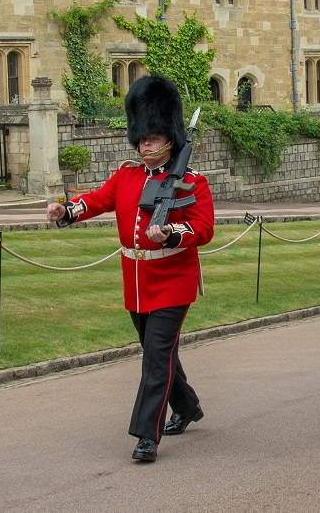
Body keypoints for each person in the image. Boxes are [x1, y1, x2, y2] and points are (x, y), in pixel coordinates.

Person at [46, 75, 214, 463]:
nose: (145, 144)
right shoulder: (127, 175)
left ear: (169, 137)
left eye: (152, 137)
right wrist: (67, 211)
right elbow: (98, 200)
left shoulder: (192, 182)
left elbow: (203, 228)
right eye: (141, 138)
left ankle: (145, 436)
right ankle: (187, 406)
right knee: (160, 353)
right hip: (137, 283)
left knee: (155, 356)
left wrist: (171, 233)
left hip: (173, 283)